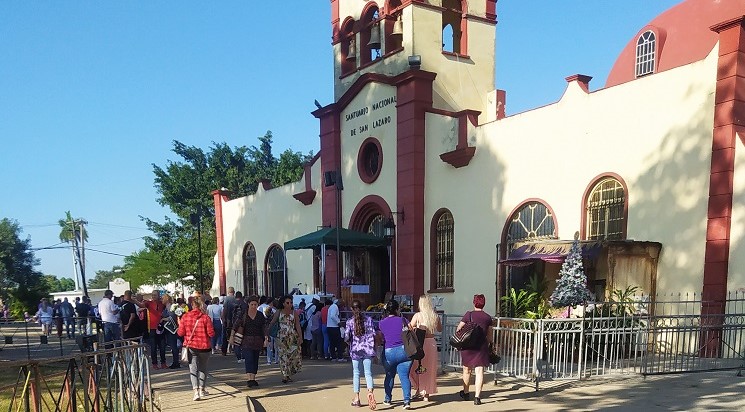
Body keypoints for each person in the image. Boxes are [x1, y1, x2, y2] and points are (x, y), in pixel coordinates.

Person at [457, 294, 493, 406]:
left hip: (468, 346)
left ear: (474, 302)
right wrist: (491, 344)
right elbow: (490, 335)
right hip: (481, 347)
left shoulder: (469, 315)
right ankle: (477, 397)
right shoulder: (488, 317)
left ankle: (466, 393)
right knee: (479, 372)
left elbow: (459, 328)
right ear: (484, 303)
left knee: (467, 370)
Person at [177, 295, 215, 401]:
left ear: (192, 305)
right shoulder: (206, 318)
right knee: (203, 368)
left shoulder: (185, 317)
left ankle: (195, 392)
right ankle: (202, 390)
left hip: (191, 347)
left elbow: (180, 333)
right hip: (204, 347)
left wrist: (180, 324)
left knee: (193, 369)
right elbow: (211, 334)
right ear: (201, 305)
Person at [378, 299, 413, 409]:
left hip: (389, 352)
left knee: (389, 375)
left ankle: (387, 399)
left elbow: (380, 337)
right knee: (404, 377)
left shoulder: (382, 323)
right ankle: (406, 401)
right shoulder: (403, 320)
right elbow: (410, 332)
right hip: (404, 351)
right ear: (397, 309)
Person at [344, 299, 377, 409]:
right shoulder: (369, 319)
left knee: (356, 373)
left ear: (351, 309)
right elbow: (373, 334)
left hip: (355, 350)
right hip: (367, 349)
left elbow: (346, 337)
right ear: (362, 308)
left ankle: (357, 398)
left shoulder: (349, 321)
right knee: (368, 373)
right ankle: (370, 392)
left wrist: (349, 343)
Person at [408, 295, 442, 402]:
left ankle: (418, 388)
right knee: (429, 369)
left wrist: (416, 328)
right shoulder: (434, 316)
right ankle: (426, 393)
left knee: (415, 367)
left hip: (420, 343)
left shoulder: (418, 315)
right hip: (431, 343)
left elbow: (409, 327)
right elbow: (439, 329)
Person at [234, 295, 269, 388]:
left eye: (255, 304)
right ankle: (249, 379)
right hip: (246, 340)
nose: (254, 306)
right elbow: (236, 324)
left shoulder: (260, 315)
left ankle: (253, 378)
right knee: (248, 359)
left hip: (257, 340)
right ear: (248, 304)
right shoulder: (243, 314)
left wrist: (265, 337)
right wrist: (231, 336)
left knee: (255, 359)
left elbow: (264, 327)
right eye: (252, 304)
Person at [268, 295, 302, 383]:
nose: (289, 304)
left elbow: (297, 325)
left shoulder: (294, 313)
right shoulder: (279, 312)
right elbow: (272, 322)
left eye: (291, 302)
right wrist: (267, 333)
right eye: (287, 303)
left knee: (292, 355)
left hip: (292, 336)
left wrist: (300, 337)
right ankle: (284, 375)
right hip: (281, 337)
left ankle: (289, 374)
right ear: (283, 303)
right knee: (283, 356)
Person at [135, 291, 168, 369]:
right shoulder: (148, 303)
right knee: (153, 347)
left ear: (159, 295)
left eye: (155, 295)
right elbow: (141, 305)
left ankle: (163, 363)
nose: (154, 296)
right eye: (153, 295)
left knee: (162, 347)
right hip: (152, 328)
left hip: (160, 328)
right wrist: (134, 301)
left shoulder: (162, 304)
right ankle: (154, 364)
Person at [161, 294, 181, 369]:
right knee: (173, 346)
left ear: (166, 299)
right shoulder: (167, 307)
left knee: (174, 346)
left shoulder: (172, 307)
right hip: (168, 329)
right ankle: (175, 361)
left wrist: (163, 319)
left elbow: (172, 317)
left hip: (172, 329)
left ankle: (176, 362)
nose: (161, 300)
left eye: (163, 298)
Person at [231, 292, 248, 363]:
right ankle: (243, 356)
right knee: (243, 341)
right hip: (244, 324)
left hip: (235, 324)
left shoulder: (232, 303)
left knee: (236, 342)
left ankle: (238, 358)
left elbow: (229, 313)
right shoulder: (245, 304)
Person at [220, 287, 236, 356]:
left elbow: (225, 309)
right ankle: (236, 349)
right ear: (234, 292)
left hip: (227, 319)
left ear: (228, 292)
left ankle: (224, 351)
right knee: (235, 334)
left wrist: (223, 319)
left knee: (225, 335)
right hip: (235, 319)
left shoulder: (227, 299)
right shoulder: (236, 299)